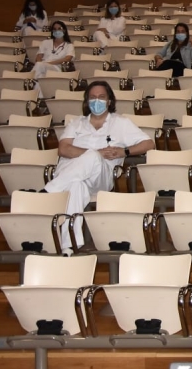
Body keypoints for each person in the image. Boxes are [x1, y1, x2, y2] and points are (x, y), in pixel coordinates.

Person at [46, 81, 155, 250]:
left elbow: (149, 144)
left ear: (109, 101)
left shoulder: (121, 123)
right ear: (86, 101)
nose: (97, 101)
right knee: (76, 186)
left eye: (101, 97)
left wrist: (124, 152)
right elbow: (63, 149)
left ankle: (48, 193)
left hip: (100, 178)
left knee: (93, 157)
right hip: (71, 179)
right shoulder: (77, 123)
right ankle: (69, 247)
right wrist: (96, 152)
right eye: (92, 97)